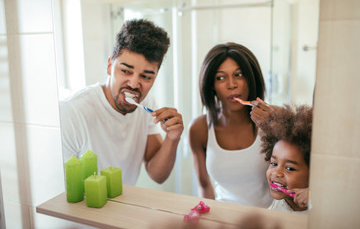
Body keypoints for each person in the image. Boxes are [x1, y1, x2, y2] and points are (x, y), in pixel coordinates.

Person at [60, 19, 184, 185]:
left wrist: (172, 138)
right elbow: (59, 188)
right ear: (110, 66)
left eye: (146, 77)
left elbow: (157, 175)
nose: (133, 84)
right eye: (125, 71)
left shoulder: (147, 104)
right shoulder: (72, 112)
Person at [188, 42, 273, 208]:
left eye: (239, 75)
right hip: (223, 219)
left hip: (268, 218)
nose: (231, 84)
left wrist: (276, 126)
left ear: (251, 78)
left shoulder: (272, 118)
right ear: (211, 85)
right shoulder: (199, 129)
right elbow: (204, 185)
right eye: (220, 78)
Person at [259, 104, 312, 214]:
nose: (277, 173)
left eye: (289, 168)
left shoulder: (320, 209)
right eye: (274, 163)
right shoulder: (281, 202)